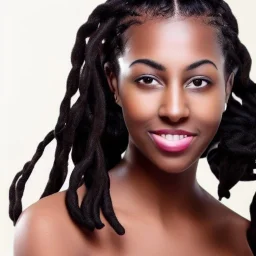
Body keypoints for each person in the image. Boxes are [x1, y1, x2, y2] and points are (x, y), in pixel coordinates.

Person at [9, 0, 256, 255]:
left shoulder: (243, 241)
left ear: (227, 86)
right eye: (148, 80)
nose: (174, 110)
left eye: (198, 82)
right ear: (113, 82)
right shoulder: (53, 230)